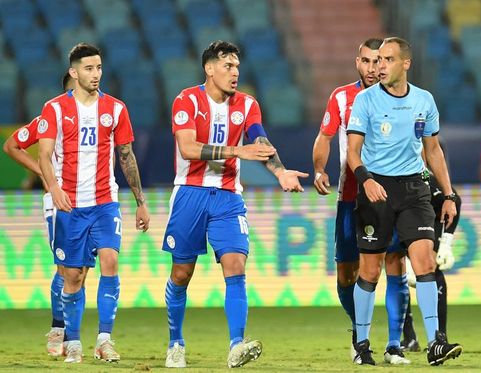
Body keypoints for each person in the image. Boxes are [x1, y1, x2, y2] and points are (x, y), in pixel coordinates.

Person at [161, 40, 307, 369]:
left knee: (236, 267)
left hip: (228, 198)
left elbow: (259, 141)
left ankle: (236, 344)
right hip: (190, 193)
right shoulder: (187, 100)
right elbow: (187, 148)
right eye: (228, 66)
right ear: (209, 69)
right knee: (181, 274)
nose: (235, 72)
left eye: (237, 67)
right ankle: (175, 342)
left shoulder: (247, 105)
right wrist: (236, 152)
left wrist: (280, 172)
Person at [345, 37, 462, 366]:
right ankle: (362, 342)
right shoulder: (365, 101)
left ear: (405, 64)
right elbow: (353, 152)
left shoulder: (424, 101)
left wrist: (449, 194)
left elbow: (433, 150)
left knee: (425, 262)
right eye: (378, 60)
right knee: (370, 270)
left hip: (414, 189)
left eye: (388, 60)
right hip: (376, 189)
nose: (380, 66)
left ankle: (436, 342)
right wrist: (365, 180)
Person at [38, 43, 151, 363]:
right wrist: (55, 189)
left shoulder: (116, 109)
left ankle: (104, 339)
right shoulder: (55, 109)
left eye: (99, 68)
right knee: (72, 277)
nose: (96, 74)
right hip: (70, 206)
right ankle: (73, 340)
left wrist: (140, 201)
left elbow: (126, 156)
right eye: (89, 69)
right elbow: (44, 155)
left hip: (105, 202)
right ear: (73, 73)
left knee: (110, 262)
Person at [312, 38, 410, 365]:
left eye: (378, 61)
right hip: (351, 197)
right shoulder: (342, 97)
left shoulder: (400, 96)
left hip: (393, 196)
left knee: (394, 264)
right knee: (346, 275)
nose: (372, 68)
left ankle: (395, 344)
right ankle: (360, 334)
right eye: (366, 61)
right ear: (358, 62)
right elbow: (325, 136)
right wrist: (318, 169)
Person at [3, 71, 75, 357]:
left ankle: (83, 333)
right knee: (65, 266)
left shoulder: (100, 114)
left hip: (94, 199)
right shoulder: (51, 117)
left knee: (83, 268)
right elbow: (11, 145)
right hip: (59, 200)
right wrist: (45, 175)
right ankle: (60, 329)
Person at [401, 171, 462, 352]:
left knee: (431, 270)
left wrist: (446, 243)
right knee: (397, 273)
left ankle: (439, 336)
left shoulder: (426, 179)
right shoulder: (387, 178)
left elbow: (455, 200)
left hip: (427, 221)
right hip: (399, 221)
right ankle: (408, 337)